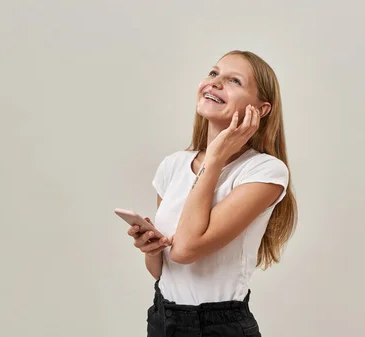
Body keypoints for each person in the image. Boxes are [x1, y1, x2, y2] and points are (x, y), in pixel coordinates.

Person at [127, 50, 298, 337]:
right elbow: (163, 270)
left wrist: (216, 157)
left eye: (234, 81)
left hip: (218, 326)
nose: (215, 83)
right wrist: (151, 249)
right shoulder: (173, 165)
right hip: (162, 318)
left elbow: (185, 250)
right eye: (213, 73)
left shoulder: (266, 171)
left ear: (262, 109)